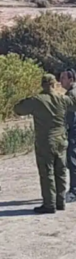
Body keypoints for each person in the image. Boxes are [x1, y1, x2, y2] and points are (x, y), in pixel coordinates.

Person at [14, 74, 76, 214]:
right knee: (60, 171)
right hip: (61, 140)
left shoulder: (37, 100)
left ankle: (49, 204)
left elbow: (18, 109)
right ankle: (60, 202)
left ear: (42, 85)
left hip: (45, 142)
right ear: (55, 85)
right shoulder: (63, 99)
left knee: (47, 172)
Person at [61, 69, 76, 202]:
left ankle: (74, 191)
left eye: (63, 78)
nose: (61, 81)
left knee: (72, 161)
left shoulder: (72, 95)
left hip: (74, 131)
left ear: (71, 80)